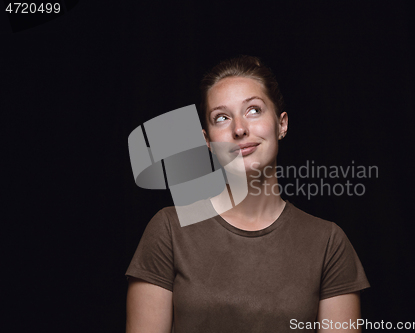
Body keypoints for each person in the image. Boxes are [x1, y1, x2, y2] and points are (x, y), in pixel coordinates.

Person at [125, 55, 370, 332]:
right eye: (221, 117)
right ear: (207, 141)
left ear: (282, 124)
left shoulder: (329, 243)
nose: (239, 129)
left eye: (253, 110)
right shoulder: (170, 229)